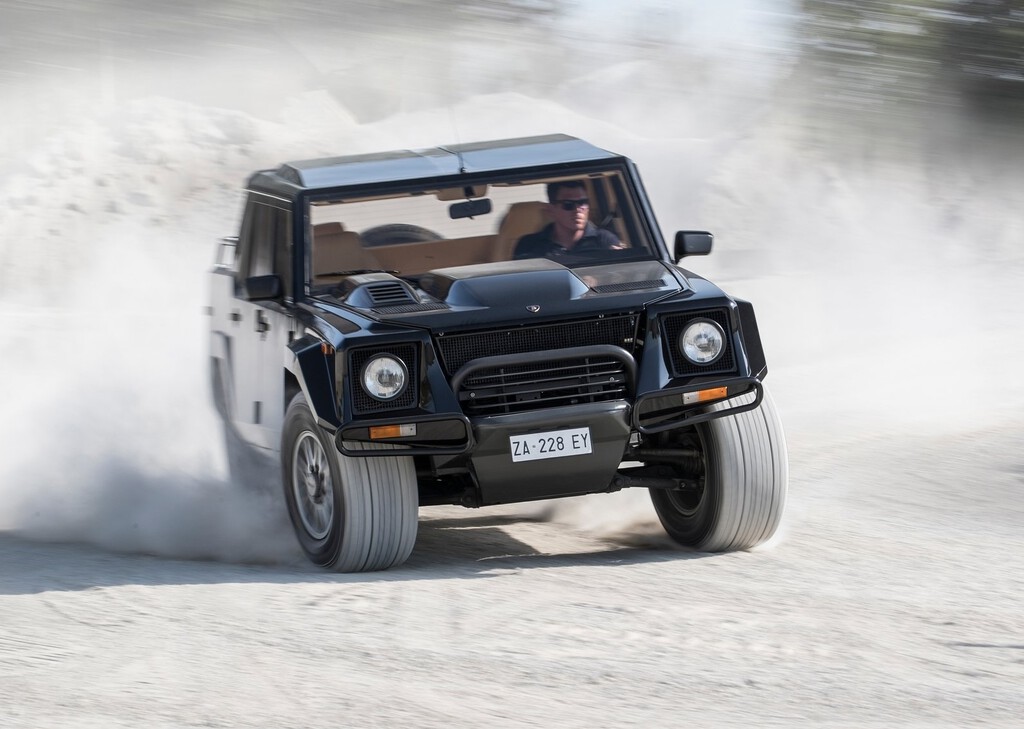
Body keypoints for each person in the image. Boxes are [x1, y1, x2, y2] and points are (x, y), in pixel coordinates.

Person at [513, 180, 622, 260]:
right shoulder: (529, 246)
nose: (578, 210)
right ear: (551, 210)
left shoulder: (604, 241)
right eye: (568, 205)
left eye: (583, 203)